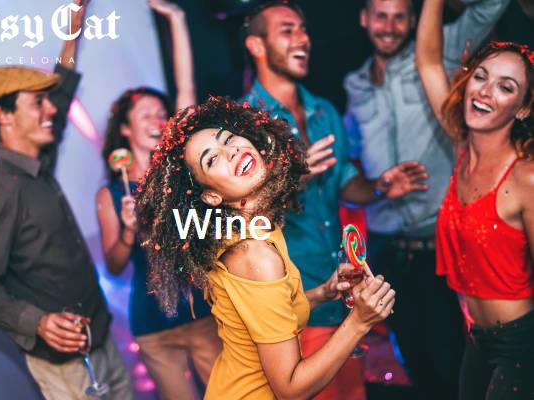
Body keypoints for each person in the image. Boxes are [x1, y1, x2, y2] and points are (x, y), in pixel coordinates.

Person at [135, 95, 397, 400]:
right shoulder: (254, 254)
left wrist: (322, 293)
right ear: (211, 197)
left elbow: (258, 316)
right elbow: (290, 388)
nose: (231, 151)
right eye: (212, 159)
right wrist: (360, 321)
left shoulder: (247, 229)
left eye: (228, 139)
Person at [241, 2, 428, 398]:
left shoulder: (323, 110)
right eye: (287, 30)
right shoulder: (244, 126)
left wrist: (380, 187)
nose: (303, 38)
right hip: (295, 306)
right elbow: (239, 215)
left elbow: (343, 182)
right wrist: (292, 180)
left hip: (342, 298)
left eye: (303, 29)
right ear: (256, 45)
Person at [0, 2, 134, 399]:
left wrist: (73, 26)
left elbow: (64, 86)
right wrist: (37, 323)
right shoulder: (2, 187)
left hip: (98, 340)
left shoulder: (39, 162)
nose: (51, 108)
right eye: (37, 102)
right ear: (3, 115)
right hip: (64, 366)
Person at [343, 0, 511, 397]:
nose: (389, 26)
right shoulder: (355, 84)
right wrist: (381, 184)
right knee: (415, 363)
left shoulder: (440, 51)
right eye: (381, 15)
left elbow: (490, 9)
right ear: (364, 18)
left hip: (439, 247)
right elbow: (353, 164)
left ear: (414, 20)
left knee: (454, 364)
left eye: (399, 16)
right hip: (386, 250)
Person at [96, 1, 222, 399]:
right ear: (124, 129)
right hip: (152, 327)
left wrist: (178, 20)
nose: (157, 120)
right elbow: (115, 265)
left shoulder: (175, 170)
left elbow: (186, 91)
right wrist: (128, 231)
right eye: (146, 114)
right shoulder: (112, 193)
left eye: (161, 113)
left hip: (202, 311)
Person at [416, 1, 534, 398]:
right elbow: (428, 62)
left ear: (523, 108)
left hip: (521, 345)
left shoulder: (525, 178)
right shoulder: (462, 147)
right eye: (480, 76)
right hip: (476, 339)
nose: (484, 90)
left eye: (506, 86)